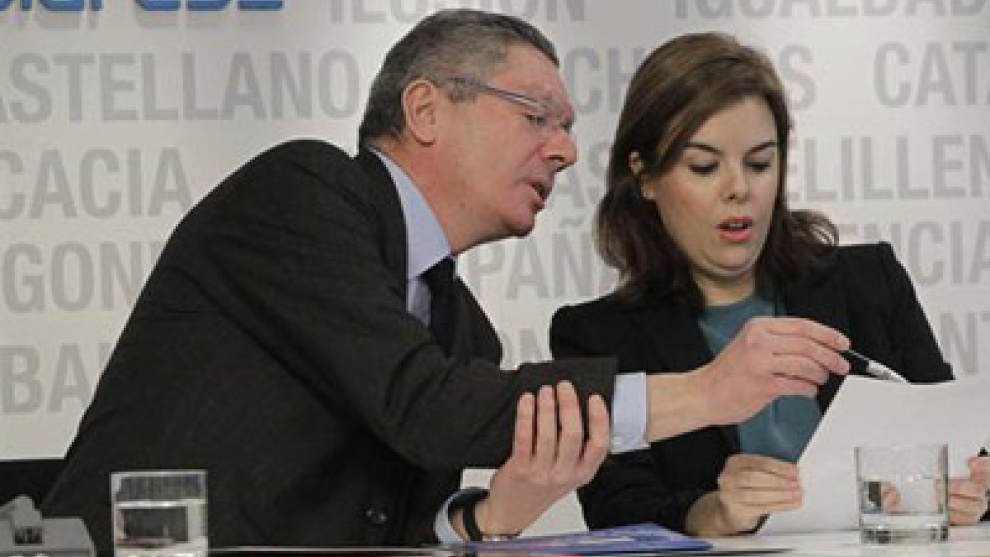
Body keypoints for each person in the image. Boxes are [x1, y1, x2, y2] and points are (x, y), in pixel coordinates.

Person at [44, 13, 851, 553]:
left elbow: (399, 526)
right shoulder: (303, 191)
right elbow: (423, 404)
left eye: (569, 128)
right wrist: (709, 391)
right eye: (537, 115)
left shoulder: (463, 326)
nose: (566, 150)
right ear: (426, 109)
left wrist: (494, 513)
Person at [550, 31, 990, 537]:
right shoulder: (595, 335)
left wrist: (973, 492)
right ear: (645, 175)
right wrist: (716, 512)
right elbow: (617, 512)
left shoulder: (869, 280)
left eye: (760, 163)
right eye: (704, 167)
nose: (739, 189)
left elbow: (953, 439)